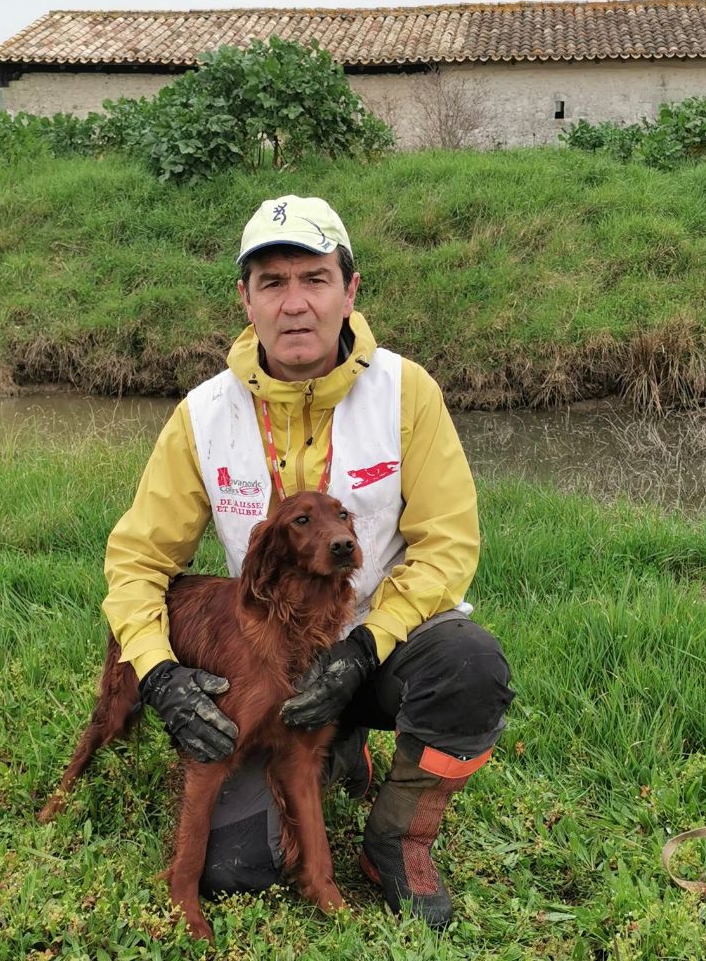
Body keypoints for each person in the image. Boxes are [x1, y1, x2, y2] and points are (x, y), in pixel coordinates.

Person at [103, 195, 515, 928]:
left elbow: (448, 546)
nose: (295, 303)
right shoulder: (202, 413)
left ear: (349, 291)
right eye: (272, 283)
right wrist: (159, 674)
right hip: (272, 663)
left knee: (470, 663)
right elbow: (138, 561)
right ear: (246, 300)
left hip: (382, 647)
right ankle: (330, 750)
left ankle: (396, 844)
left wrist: (363, 646)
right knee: (236, 870)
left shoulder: (405, 392)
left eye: (314, 279)